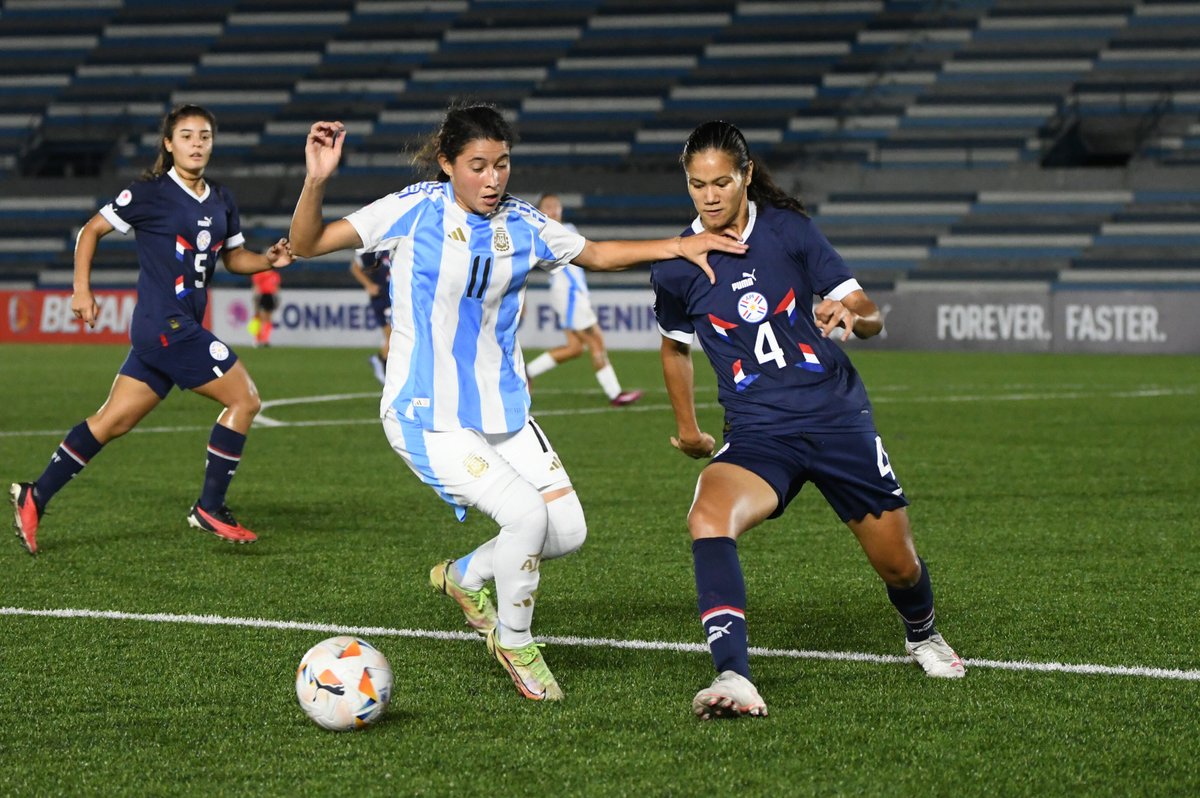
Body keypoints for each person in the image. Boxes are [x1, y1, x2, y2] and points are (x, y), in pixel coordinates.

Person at [288, 103, 746, 702]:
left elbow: (600, 254)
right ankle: (514, 639)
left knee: (568, 531)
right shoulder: (413, 209)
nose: (492, 178)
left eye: (502, 164)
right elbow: (307, 242)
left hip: (503, 412)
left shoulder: (524, 224)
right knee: (527, 517)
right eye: (477, 166)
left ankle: (465, 576)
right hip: (428, 415)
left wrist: (680, 246)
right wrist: (317, 180)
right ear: (448, 164)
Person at [650, 120, 965, 720]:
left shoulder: (789, 231)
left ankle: (922, 633)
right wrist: (689, 428)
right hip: (760, 431)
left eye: (721, 182)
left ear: (745, 176)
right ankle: (733, 675)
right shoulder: (675, 266)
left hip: (836, 416)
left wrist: (852, 315)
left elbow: (870, 315)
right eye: (697, 185)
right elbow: (674, 346)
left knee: (898, 563)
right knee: (708, 517)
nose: (710, 196)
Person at [9, 104, 293, 554]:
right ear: (168, 143)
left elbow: (234, 259)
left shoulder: (222, 199)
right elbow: (90, 231)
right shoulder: (150, 193)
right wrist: (81, 290)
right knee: (245, 398)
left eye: (204, 136)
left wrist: (267, 260)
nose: (196, 143)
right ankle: (209, 506)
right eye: (186, 135)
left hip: (168, 331)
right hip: (168, 326)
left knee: (111, 421)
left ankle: (35, 495)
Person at [524, 193, 642, 407]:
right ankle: (615, 394)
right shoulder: (542, 233)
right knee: (595, 340)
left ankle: (527, 372)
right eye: (548, 206)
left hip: (571, 293)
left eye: (557, 205)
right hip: (568, 294)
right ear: (540, 212)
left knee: (575, 347)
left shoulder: (568, 228)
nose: (554, 209)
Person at [349, 247, 392, 385]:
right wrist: (369, 285)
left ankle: (381, 361)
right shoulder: (377, 246)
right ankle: (381, 362)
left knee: (395, 338)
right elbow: (355, 267)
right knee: (394, 337)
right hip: (383, 297)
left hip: (397, 297)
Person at [248, 266, 281, 346]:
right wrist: (256, 297)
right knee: (260, 317)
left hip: (270, 296)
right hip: (261, 296)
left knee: (268, 317)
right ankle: (257, 338)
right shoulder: (259, 274)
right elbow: (256, 286)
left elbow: (276, 287)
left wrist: (277, 298)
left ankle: (265, 339)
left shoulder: (275, 275)